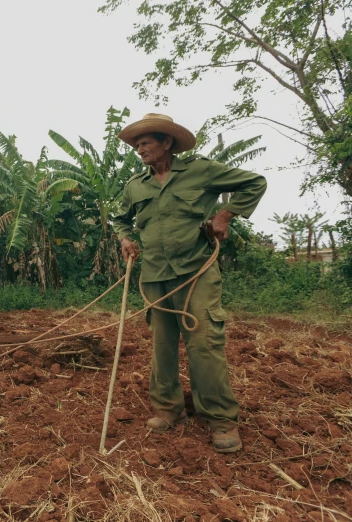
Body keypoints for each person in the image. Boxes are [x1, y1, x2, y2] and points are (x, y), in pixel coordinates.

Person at [111, 113, 267, 453]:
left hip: (196, 271)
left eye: (146, 142)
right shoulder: (135, 186)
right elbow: (120, 218)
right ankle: (168, 411)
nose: (140, 149)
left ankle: (221, 420)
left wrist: (225, 215)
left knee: (204, 343)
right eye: (137, 145)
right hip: (153, 275)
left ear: (167, 142)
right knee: (162, 345)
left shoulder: (201, 170)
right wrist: (125, 239)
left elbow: (254, 182)